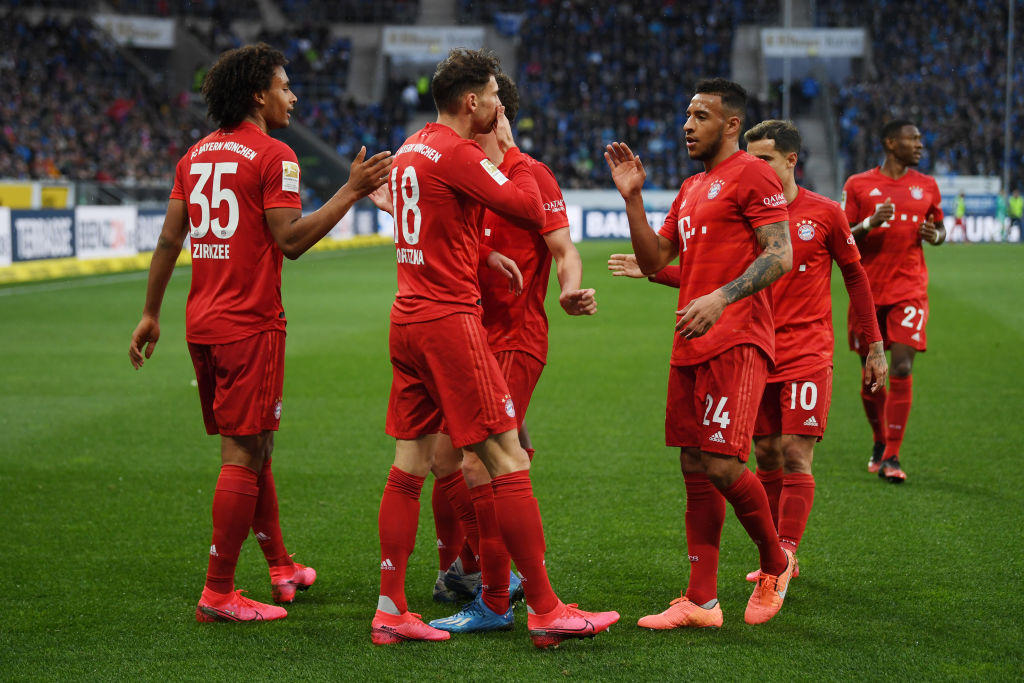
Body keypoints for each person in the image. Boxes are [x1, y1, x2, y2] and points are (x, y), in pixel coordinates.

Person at [128, 43, 392, 623]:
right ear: (258, 93)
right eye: (284, 85)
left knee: (256, 445)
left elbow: (171, 241)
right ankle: (218, 592)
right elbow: (291, 241)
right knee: (244, 451)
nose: (292, 96)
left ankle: (280, 566)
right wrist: (350, 190)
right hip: (249, 325)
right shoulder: (275, 156)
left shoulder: (194, 156)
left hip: (203, 323)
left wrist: (151, 313)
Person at [372, 48, 618, 648]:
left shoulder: (411, 147)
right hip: (451, 321)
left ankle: (390, 608)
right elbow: (526, 205)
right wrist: (504, 150)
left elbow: (437, 224)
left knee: (411, 467)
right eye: (492, 97)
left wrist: (484, 252)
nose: (498, 107)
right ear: (471, 102)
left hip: (406, 317)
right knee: (507, 459)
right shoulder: (459, 152)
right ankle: (542, 607)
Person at [610, 119, 888, 581]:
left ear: (790, 160)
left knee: (794, 451)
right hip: (755, 349)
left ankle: (784, 553)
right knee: (765, 456)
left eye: (765, 160)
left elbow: (855, 277)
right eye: (751, 157)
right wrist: (656, 272)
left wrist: (874, 345)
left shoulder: (824, 213)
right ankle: (772, 555)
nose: (754, 166)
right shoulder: (744, 211)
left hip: (805, 350)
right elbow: (716, 278)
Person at [605, 78, 795, 630]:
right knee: (693, 463)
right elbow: (653, 257)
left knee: (722, 463)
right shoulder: (691, 188)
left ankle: (774, 563)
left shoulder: (754, 174)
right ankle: (701, 601)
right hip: (691, 341)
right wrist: (633, 197)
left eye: (701, 116)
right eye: (686, 114)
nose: (687, 124)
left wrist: (721, 296)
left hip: (737, 340)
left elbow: (779, 255)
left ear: (731, 124)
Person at [425, 73, 597, 634]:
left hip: (515, 340)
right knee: (446, 460)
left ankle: (498, 593)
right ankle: (484, 568)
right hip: (467, 336)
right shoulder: (467, 175)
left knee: (476, 460)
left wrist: (570, 287)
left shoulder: (530, 177)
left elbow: (564, 249)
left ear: (499, 119)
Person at [842, 119, 945, 483]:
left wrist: (936, 235)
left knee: (900, 366)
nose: (920, 144)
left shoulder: (927, 185)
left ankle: (892, 455)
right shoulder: (858, 184)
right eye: (912, 138)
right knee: (873, 376)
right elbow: (843, 237)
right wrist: (869, 223)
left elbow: (940, 228)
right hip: (867, 292)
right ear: (890, 142)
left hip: (910, 289)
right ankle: (879, 439)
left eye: (920, 137)